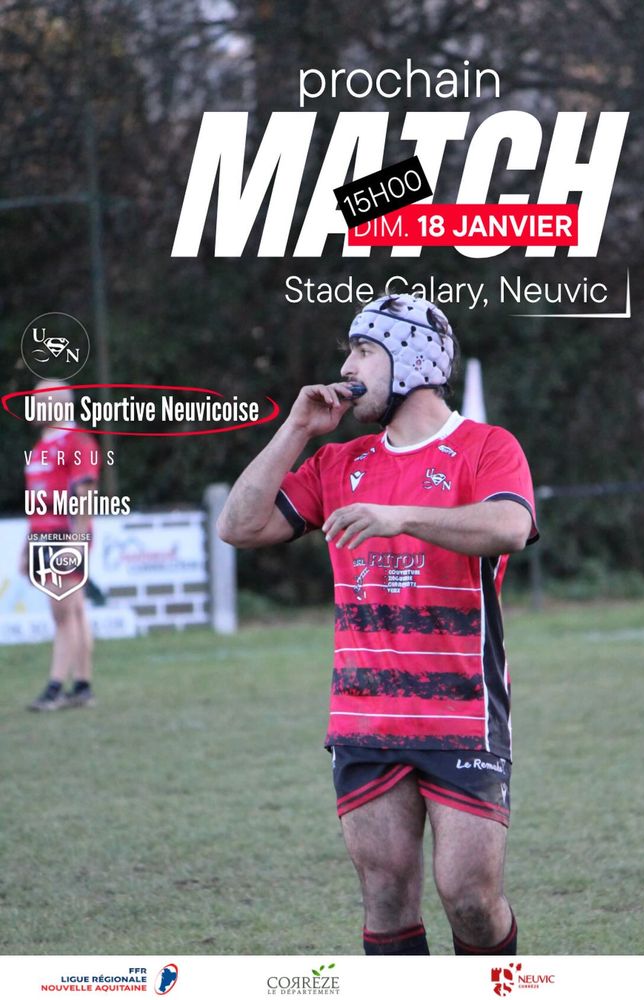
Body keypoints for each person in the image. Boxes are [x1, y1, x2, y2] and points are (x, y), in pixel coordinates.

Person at [218, 294, 537, 955]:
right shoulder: (339, 463)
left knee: (470, 899)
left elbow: (511, 525)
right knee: (386, 898)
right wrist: (297, 431)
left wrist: (401, 516)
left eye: (363, 351)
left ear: (413, 360)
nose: (347, 367)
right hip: (364, 715)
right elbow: (238, 526)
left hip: (462, 714)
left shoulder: (486, 446)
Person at [22, 380, 100, 711]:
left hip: (64, 537)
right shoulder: (41, 445)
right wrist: (27, 547)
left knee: (62, 614)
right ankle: (82, 686)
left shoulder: (77, 441)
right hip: (44, 537)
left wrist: (77, 542)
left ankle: (54, 688)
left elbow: (86, 493)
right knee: (75, 611)